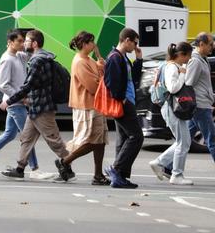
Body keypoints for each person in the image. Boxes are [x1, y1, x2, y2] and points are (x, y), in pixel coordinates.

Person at [0, 29, 74, 182]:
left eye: (26, 40)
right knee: (26, 138)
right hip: (35, 107)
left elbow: (28, 86)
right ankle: (20, 169)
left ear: (34, 43)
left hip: (42, 107)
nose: (24, 43)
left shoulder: (37, 61)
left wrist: (9, 101)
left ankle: (68, 169)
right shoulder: (42, 57)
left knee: (54, 140)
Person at [0, 30, 43, 176]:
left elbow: (32, 54)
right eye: (19, 41)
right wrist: (19, 98)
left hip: (17, 102)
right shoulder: (6, 59)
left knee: (9, 134)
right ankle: (35, 169)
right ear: (10, 42)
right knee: (28, 136)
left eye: (23, 41)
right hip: (16, 103)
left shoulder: (19, 55)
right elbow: (2, 85)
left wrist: (30, 44)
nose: (22, 43)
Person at [62, 31, 109, 185]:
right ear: (84, 44)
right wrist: (101, 77)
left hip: (95, 105)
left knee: (100, 140)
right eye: (91, 42)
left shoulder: (88, 59)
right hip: (87, 106)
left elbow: (99, 75)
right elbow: (93, 87)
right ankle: (65, 161)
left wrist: (100, 62)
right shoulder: (80, 62)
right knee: (91, 140)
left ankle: (98, 174)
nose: (94, 45)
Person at [150, 41, 197, 185]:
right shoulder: (172, 67)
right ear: (181, 55)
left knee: (183, 141)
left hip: (172, 108)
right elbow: (173, 88)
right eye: (188, 56)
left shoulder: (170, 65)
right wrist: (182, 74)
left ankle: (160, 163)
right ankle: (176, 174)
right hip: (172, 108)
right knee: (183, 142)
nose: (189, 60)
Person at [103, 27, 144, 188]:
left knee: (124, 138)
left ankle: (120, 176)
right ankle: (116, 169)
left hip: (128, 101)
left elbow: (132, 78)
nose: (135, 46)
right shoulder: (114, 57)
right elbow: (111, 82)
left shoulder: (123, 57)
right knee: (136, 137)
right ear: (126, 40)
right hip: (123, 103)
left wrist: (139, 60)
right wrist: (121, 99)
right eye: (134, 43)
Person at [186, 33, 215, 171]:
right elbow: (189, 83)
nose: (213, 47)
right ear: (201, 44)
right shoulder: (196, 61)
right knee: (212, 139)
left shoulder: (203, 59)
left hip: (203, 104)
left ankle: (165, 165)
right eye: (211, 44)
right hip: (200, 106)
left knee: (185, 140)